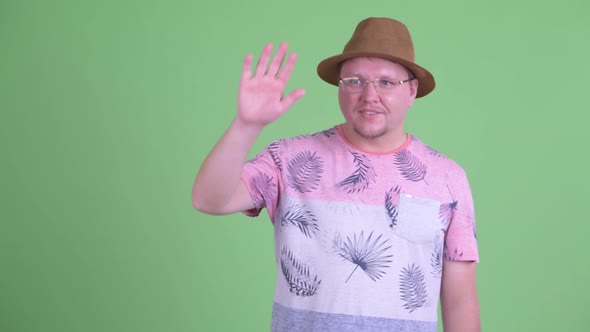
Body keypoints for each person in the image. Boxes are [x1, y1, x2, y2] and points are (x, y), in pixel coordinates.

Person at [192, 17, 480, 332]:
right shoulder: (291, 159)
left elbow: (460, 301)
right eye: (355, 81)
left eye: (386, 82)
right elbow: (209, 199)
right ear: (340, 87)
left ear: (411, 91)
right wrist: (246, 125)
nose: (370, 95)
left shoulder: (447, 177)